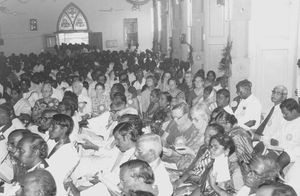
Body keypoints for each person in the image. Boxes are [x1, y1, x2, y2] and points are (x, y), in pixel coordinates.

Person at [46, 114, 79, 196]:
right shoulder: (51, 141)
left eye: (54, 127)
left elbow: (52, 175)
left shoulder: (70, 153)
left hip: (55, 189)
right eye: (50, 126)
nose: (49, 129)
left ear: (64, 129)